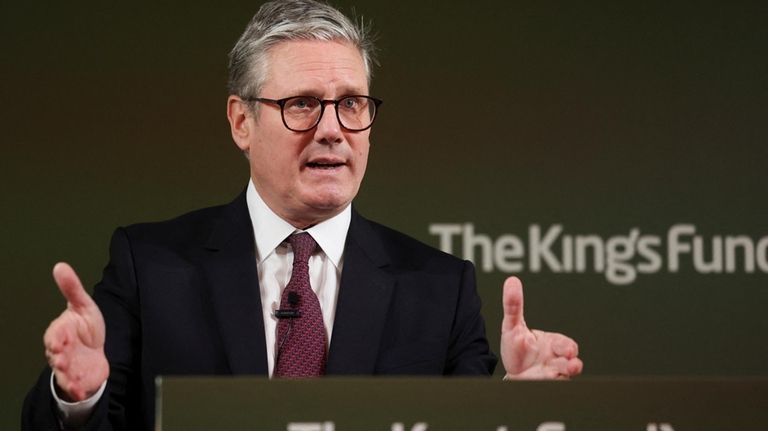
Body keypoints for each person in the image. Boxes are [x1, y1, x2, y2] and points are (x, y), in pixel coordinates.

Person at [23, 1, 582, 429]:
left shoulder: (439, 287)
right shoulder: (151, 265)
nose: (333, 129)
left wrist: (513, 406)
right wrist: (78, 397)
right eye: (303, 104)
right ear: (242, 122)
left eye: (352, 104)